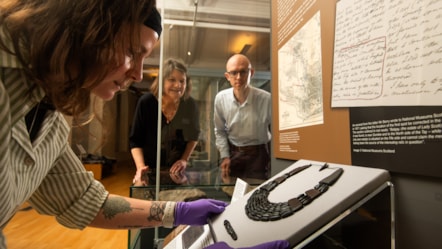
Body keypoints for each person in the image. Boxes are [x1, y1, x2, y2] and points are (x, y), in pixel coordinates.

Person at [0, 1, 288, 249]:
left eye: (144, 58)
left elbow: (84, 199)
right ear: (86, 29)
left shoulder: (50, 121)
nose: (137, 73)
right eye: (130, 51)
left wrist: (178, 212)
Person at [130, 58, 199, 186]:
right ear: (162, 81)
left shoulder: (190, 105)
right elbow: (135, 141)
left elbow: (194, 136)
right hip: (149, 170)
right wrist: (141, 168)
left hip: (178, 172)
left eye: (182, 81)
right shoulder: (146, 102)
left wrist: (184, 159)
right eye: (172, 80)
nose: (178, 85)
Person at [214, 54, 272, 183]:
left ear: (251, 73)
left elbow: (278, 134)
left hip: (259, 156)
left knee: (258, 194)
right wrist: (225, 156)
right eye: (234, 73)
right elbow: (219, 131)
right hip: (234, 154)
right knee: (232, 194)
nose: (239, 77)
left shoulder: (267, 99)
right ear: (227, 76)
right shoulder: (221, 99)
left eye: (243, 72)